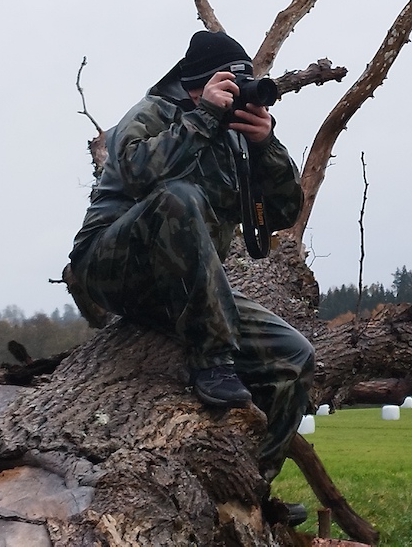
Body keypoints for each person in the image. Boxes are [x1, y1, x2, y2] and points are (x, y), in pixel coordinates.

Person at [69, 30, 314, 482]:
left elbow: (282, 212)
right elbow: (138, 173)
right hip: (111, 265)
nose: (239, 96)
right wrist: (203, 117)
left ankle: (251, 484)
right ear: (199, 85)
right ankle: (212, 360)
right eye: (230, 85)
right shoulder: (153, 112)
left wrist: (266, 145)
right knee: (180, 196)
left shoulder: (235, 140)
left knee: (295, 357)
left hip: (188, 284)